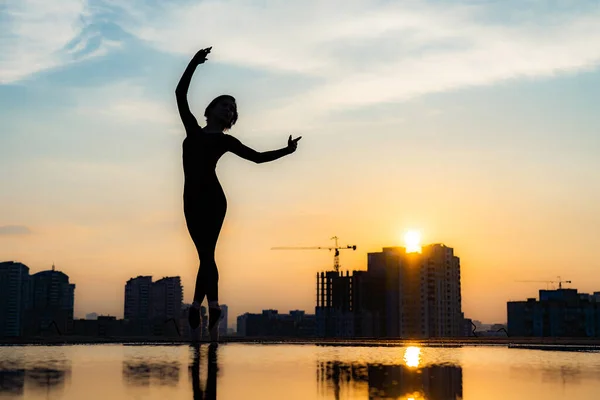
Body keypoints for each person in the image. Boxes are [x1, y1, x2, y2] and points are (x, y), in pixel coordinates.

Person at [175, 47, 301, 341]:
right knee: (205, 256)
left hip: (213, 201)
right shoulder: (193, 131)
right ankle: (207, 308)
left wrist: (287, 150)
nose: (228, 109)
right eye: (224, 104)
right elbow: (180, 95)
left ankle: (204, 307)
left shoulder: (226, 141)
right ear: (210, 109)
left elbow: (257, 157)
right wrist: (194, 62)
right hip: (191, 200)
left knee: (206, 254)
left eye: (232, 109)